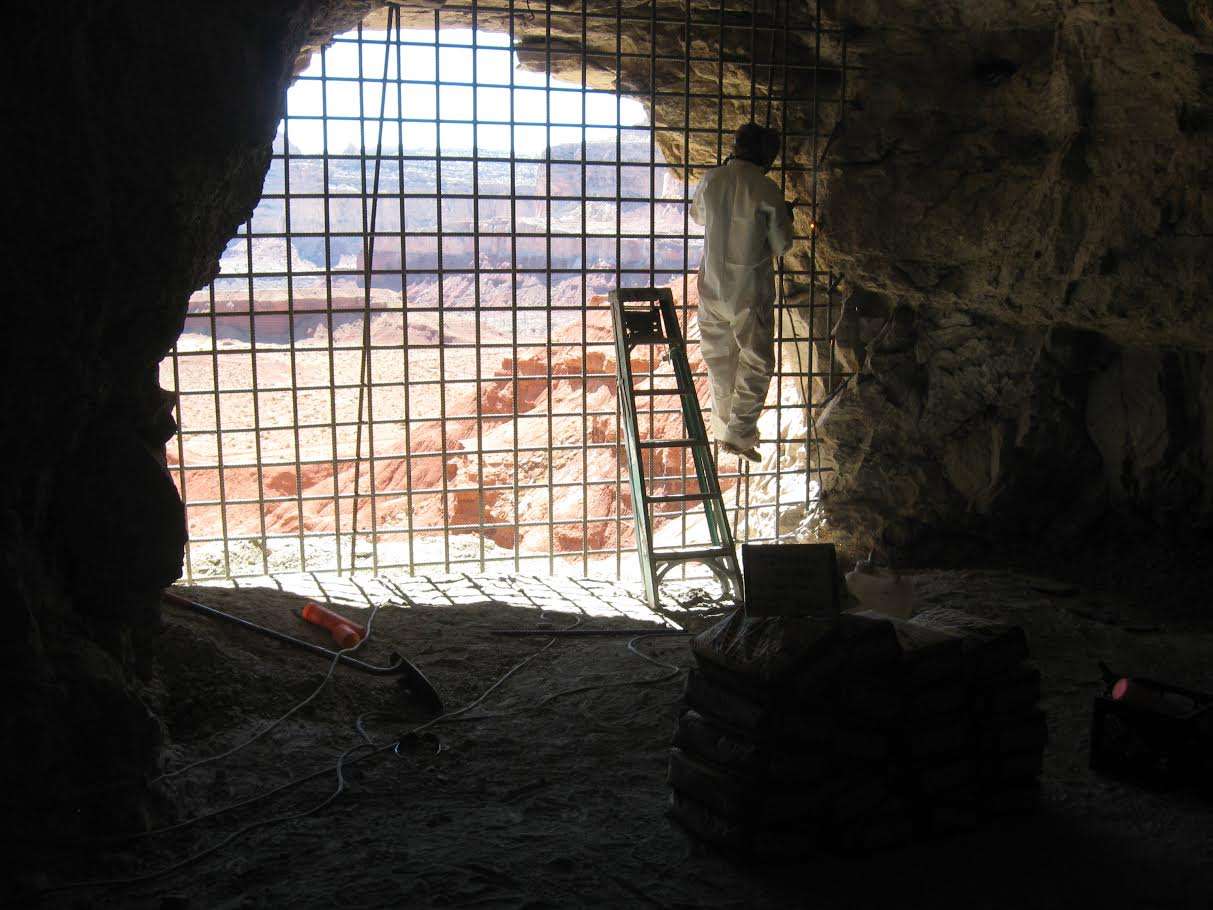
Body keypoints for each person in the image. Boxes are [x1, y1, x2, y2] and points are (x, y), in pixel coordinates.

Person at [690, 122, 794, 463]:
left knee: (720, 361)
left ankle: (723, 430)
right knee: (757, 360)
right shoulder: (766, 189)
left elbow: (697, 217)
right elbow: (781, 245)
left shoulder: (711, 179)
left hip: (711, 287)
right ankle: (739, 433)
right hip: (748, 290)